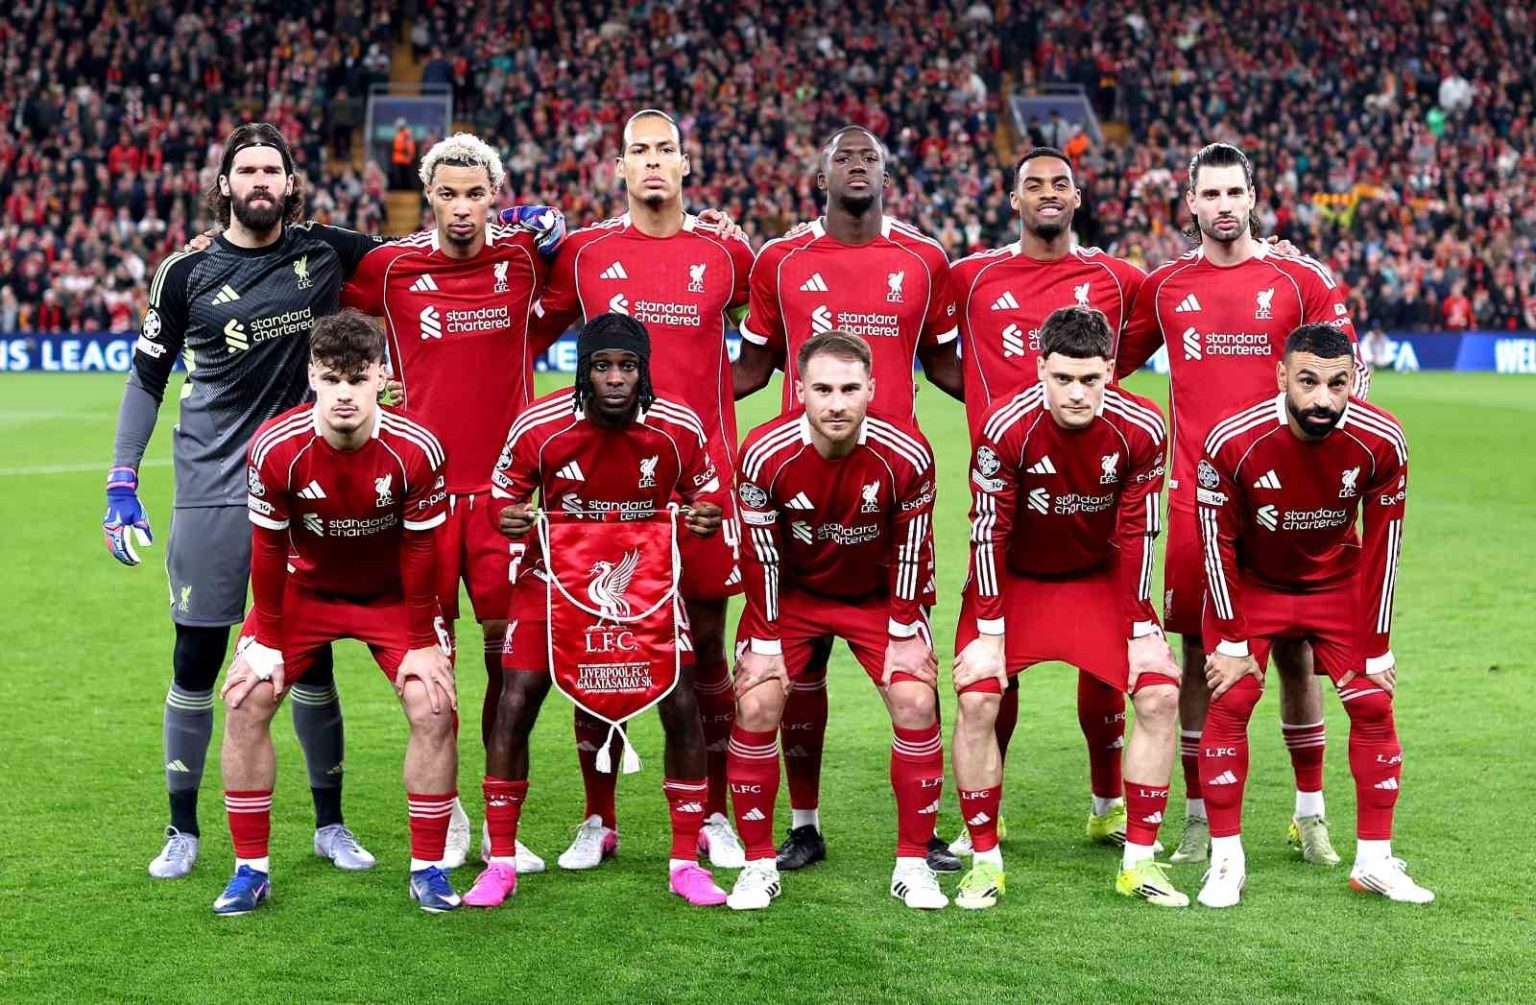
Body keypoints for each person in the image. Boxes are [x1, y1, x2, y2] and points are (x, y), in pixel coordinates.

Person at [104, 123, 384, 880]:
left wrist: (515, 227)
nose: (261, 181)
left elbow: (420, 255)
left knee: (313, 660)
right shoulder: (184, 273)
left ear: (291, 183)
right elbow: (146, 378)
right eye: (247, 170)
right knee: (197, 656)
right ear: (224, 184)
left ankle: (330, 825)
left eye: (273, 170)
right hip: (212, 489)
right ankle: (182, 828)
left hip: (304, 488)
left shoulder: (327, 252)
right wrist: (122, 479)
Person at [1115, 143, 1370, 867]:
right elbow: (1108, 365)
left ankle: (1310, 815)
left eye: (1235, 192)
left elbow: (1351, 374)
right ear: (1190, 203)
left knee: (1296, 651)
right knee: (1201, 654)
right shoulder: (1165, 287)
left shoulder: (1299, 279)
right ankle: (1199, 818)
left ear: (1253, 198)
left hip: (1288, 500)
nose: (1223, 205)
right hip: (1198, 501)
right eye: (1211, 194)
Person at [518, 109, 754, 871]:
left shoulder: (726, 252)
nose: (653, 161)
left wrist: (718, 406)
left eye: (666, 149)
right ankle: (598, 817)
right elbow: (520, 334)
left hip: (702, 490)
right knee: (599, 645)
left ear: (687, 163)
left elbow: (769, 338)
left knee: (707, 651)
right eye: (638, 151)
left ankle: (713, 812)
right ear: (618, 167)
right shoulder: (586, 254)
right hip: (605, 498)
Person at [731, 125, 962, 874]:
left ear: (887, 176)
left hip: (893, 498)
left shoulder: (924, 259)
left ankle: (921, 832)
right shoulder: (781, 258)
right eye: (844, 157)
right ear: (821, 176)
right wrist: (663, 396)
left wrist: (1028, 407)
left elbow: (949, 365)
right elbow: (751, 368)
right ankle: (803, 825)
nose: (857, 166)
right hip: (797, 494)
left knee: (914, 676)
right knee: (795, 679)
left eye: (870, 157)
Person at [342, 132, 562, 873]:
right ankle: (452, 804)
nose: (462, 208)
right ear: (427, 198)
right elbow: (317, 290)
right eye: (447, 194)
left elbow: (587, 266)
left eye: (475, 194)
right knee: (430, 664)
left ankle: (502, 820)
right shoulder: (391, 267)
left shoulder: (525, 259)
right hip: (424, 498)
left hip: (504, 497)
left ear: (495, 197)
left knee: (513, 663)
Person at [464, 313, 728, 909]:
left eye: (627, 366)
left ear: (643, 372)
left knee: (682, 700)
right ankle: (500, 861)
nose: (615, 378)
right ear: (583, 370)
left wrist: (706, 514)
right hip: (552, 579)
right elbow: (502, 496)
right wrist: (507, 517)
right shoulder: (541, 425)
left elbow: (708, 492)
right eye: (602, 366)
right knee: (515, 697)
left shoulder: (676, 426)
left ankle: (685, 863)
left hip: (646, 583)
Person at [214, 310, 459, 915]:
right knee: (245, 700)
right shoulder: (275, 447)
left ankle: (428, 870)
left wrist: (422, 641)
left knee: (433, 707)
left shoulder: (417, 448)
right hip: (304, 594)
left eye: (357, 378)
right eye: (331, 379)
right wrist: (267, 638)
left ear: (381, 377)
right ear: (312, 378)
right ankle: (250, 870)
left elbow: (422, 549)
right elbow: (267, 547)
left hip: (393, 597)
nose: (344, 393)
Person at [947, 146, 1149, 854]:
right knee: (993, 670)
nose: (1048, 193)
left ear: (1078, 195)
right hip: (1005, 502)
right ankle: (987, 811)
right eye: (1033, 184)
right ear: (1013, 200)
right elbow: (928, 342)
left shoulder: (1120, 279)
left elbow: (1171, 313)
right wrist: (988, 405)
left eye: (1060, 182)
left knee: (1105, 662)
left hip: (1093, 498)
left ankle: (1108, 804)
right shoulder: (970, 276)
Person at [950, 306, 1183, 909]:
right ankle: (984, 859)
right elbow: (988, 531)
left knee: (1159, 693)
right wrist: (990, 633)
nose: (1076, 394)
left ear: (1110, 371)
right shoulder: (1005, 427)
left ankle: (1140, 861)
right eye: (1062, 379)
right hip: (1014, 580)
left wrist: (1141, 628)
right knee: (977, 695)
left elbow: (1139, 530)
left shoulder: (1142, 427)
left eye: (1089, 380)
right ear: (1040, 371)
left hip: (1097, 581)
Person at [1194, 322, 1431, 907]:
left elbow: (1384, 549)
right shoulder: (1233, 439)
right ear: (1282, 377)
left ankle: (1374, 861)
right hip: (1254, 584)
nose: (1323, 398)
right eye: (1308, 382)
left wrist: (1377, 646)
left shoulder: (1381, 440)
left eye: (1337, 384)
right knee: (1232, 695)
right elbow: (1215, 543)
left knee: (1373, 700)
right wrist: (1230, 640)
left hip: (1336, 584)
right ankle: (1225, 860)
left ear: (1354, 381)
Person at [726, 331, 947, 911]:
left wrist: (905, 631)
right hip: (792, 598)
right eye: (822, 389)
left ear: (872, 389)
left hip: (876, 597)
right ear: (799, 391)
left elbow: (912, 548)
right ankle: (758, 864)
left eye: (850, 389)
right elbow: (760, 556)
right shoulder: (763, 453)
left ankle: (913, 863)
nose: (837, 403)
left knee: (916, 699)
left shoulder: (908, 453)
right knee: (756, 702)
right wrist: (766, 641)